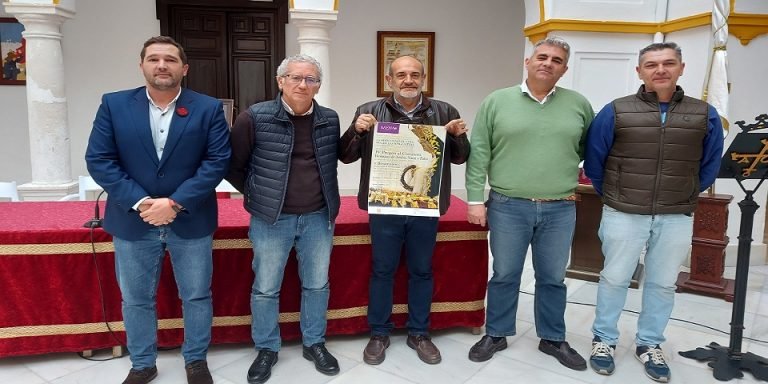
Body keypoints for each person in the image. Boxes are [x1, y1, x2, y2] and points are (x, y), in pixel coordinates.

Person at [85, 36, 231, 384]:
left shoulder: (208, 108)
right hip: (134, 219)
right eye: (153, 59)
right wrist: (142, 203)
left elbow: (217, 161)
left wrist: (175, 202)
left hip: (190, 219)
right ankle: (142, 364)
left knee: (196, 295)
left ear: (184, 68)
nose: (161, 65)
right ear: (142, 66)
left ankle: (195, 360)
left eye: (169, 59)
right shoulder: (115, 105)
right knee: (136, 299)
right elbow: (100, 160)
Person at [584, 42, 723, 383]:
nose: (660, 70)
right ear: (639, 71)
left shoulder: (704, 114)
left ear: (681, 68)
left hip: (676, 214)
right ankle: (604, 339)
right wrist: (615, 195)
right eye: (651, 64)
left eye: (668, 63)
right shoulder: (615, 111)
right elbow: (594, 161)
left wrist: (686, 193)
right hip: (623, 211)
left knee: (662, 284)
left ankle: (649, 343)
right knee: (615, 278)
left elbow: (709, 166)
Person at [465, 36, 593, 371]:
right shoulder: (497, 101)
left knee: (552, 276)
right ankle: (497, 333)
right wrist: (476, 200)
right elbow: (480, 153)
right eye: (542, 56)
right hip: (508, 205)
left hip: (560, 207)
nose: (547, 63)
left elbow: (585, 150)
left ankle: (552, 337)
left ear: (564, 70)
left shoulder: (578, 105)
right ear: (528, 61)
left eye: (556, 60)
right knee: (505, 273)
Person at [339, 55, 470, 365]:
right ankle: (379, 333)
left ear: (423, 78)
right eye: (401, 75)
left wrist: (457, 135)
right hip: (385, 208)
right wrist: (356, 130)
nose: (408, 80)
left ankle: (419, 333)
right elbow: (345, 156)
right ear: (390, 80)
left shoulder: (445, 111)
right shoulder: (368, 111)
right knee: (383, 270)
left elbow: (460, 158)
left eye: (415, 74)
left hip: (425, 207)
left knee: (421, 271)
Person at [225, 54, 341, 384]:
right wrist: (257, 193)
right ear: (281, 82)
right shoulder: (254, 117)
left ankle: (314, 343)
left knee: (317, 284)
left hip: (318, 216)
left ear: (319, 85)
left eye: (311, 79)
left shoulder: (329, 119)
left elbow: (338, 157)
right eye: (296, 78)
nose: (303, 85)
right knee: (265, 288)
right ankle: (266, 347)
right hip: (271, 219)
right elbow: (233, 165)